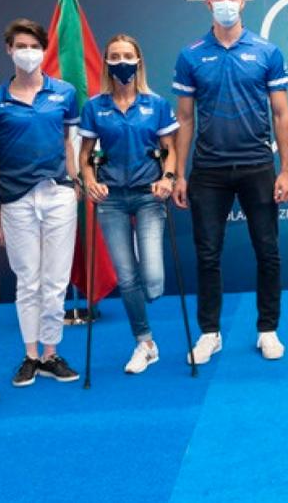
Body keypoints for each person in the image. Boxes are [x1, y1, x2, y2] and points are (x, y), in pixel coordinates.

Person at [172, 0, 288, 363]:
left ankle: (268, 330)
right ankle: (210, 333)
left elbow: (281, 114)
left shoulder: (266, 51)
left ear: (243, 2)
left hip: (258, 164)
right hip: (208, 171)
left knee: (268, 252)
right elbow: (185, 120)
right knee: (207, 254)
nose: (226, 2)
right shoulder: (191, 55)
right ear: (208, 2)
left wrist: (287, 169)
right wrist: (179, 173)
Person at [0, 19, 82, 386]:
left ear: (43, 50)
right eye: (20, 45)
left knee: (55, 281)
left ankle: (52, 353)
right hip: (15, 200)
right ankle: (30, 355)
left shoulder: (65, 93)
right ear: (9, 50)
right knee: (29, 281)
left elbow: (70, 143)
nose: (27, 52)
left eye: (33, 45)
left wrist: (74, 184)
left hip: (57, 194)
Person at [78, 34, 180, 373]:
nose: (122, 62)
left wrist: (167, 177)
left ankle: (145, 309)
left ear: (139, 61)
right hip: (111, 200)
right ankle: (145, 343)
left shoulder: (156, 103)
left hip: (149, 196)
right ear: (106, 62)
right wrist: (90, 181)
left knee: (152, 281)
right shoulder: (95, 106)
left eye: (128, 55)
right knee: (125, 277)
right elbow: (85, 153)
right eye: (115, 56)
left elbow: (170, 147)